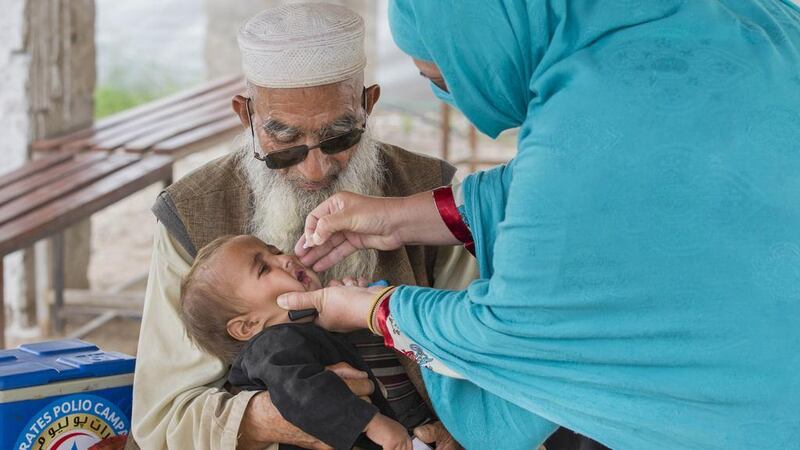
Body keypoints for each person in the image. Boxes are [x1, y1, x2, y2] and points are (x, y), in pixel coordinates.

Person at [277, 1, 800, 449]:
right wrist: (397, 220)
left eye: (442, 77)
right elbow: (620, 185)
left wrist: (373, 307)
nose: (449, 97)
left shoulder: (590, 108)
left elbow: (514, 334)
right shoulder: (715, 15)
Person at [129, 3, 476, 450]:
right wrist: (269, 418)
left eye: (339, 136)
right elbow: (163, 419)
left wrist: (464, 431)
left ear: (368, 105)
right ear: (246, 116)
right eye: (286, 140)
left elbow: (482, 354)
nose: (315, 171)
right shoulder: (191, 211)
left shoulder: (430, 191)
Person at [179, 234, 410, 450]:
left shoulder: (295, 335)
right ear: (246, 327)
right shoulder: (270, 346)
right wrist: (370, 422)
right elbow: (302, 392)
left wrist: (352, 307)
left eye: (275, 251)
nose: (285, 259)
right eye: (263, 268)